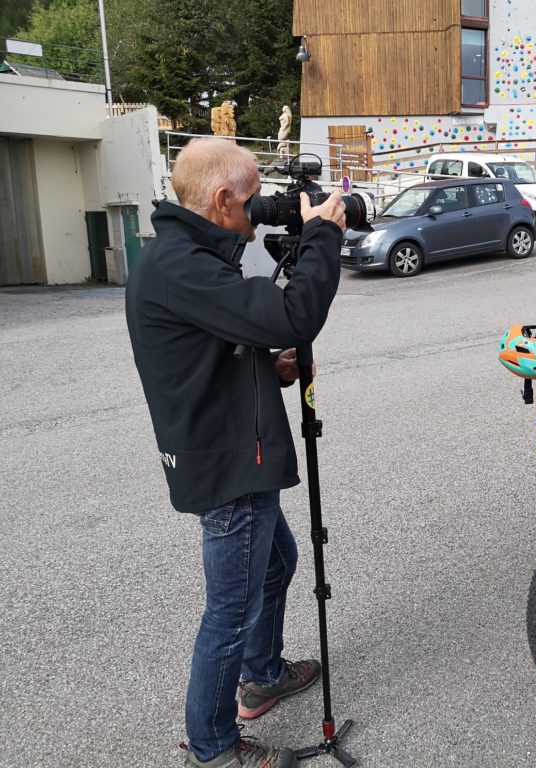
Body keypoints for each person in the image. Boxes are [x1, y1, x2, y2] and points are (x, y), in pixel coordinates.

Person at [125, 138, 347, 768]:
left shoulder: (187, 254)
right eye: (254, 198)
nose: (264, 209)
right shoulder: (180, 266)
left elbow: (216, 345)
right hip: (228, 466)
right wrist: (323, 235)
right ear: (221, 201)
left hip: (234, 447)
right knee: (229, 611)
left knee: (276, 565)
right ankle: (214, 747)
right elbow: (290, 314)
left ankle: (262, 675)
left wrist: (265, 365)